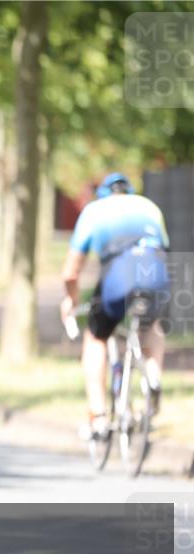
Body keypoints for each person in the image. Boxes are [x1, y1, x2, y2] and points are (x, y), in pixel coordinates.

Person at [59, 172, 171, 440]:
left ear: (103, 193)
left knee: (96, 337)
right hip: (156, 270)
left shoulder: (94, 210)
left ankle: (98, 416)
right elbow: (164, 247)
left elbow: (70, 273)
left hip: (118, 272)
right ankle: (152, 375)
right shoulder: (149, 206)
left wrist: (71, 300)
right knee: (150, 325)